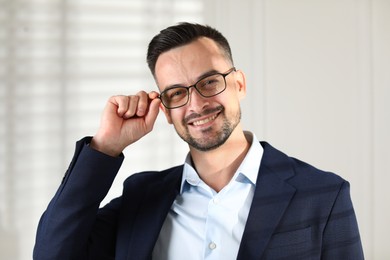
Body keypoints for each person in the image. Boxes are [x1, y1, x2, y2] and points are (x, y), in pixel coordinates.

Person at [33, 22, 364, 260]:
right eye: (177, 92)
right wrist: (105, 147)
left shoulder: (323, 195)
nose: (196, 104)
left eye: (209, 82)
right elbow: (51, 253)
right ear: (165, 110)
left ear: (239, 84)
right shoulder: (141, 197)